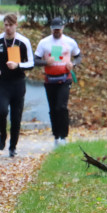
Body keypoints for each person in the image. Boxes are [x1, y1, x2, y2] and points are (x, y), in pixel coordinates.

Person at [0, 13, 34, 157]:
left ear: (16, 25)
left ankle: (13, 146)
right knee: (1, 111)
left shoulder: (23, 42)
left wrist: (18, 65)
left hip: (18, 83)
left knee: (16, 117)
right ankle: (2, 135)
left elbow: (31, 63)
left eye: (11, 25)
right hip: (2, 83)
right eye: (6, 25)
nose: (8, 28)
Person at [34, 17, 81, 147]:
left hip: (65, 77)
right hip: (50, 79)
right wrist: (45, 62)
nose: (57, 32)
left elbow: (78, 56)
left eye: (59, 30)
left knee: (62, 107)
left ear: (63, 28)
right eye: (54, 30)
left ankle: (64, 136)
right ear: (51, 29)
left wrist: (73, 64)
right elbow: (35, 60)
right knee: (53, 108)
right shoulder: (44, 43)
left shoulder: (69, 42)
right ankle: (56, 135)